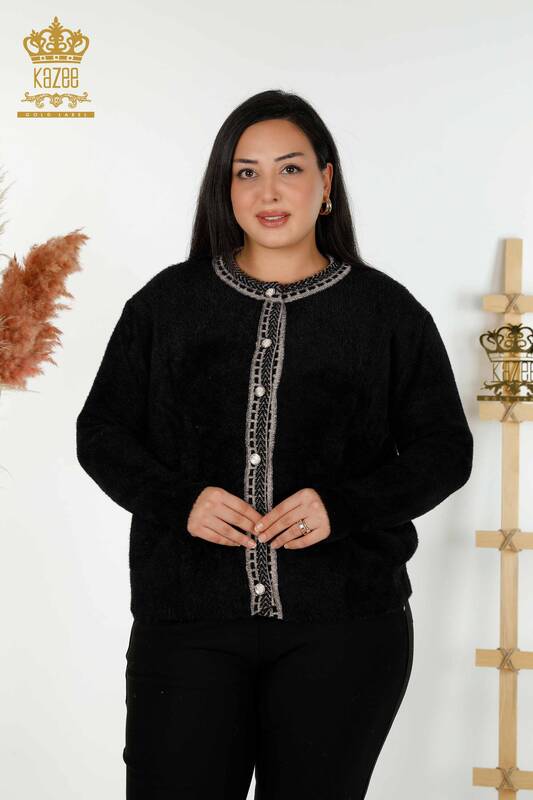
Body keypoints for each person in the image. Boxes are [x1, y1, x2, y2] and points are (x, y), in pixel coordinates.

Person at [76, 89, 473, 799]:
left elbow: (444, 449)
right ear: (224, 188)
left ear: (326, 181)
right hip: (187, 621)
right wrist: (179, 501)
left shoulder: (386, 313)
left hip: (345, 626)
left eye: (289, 168)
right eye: (246, 172)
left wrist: (343, 507)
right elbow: (101, 433)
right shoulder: (167, 304)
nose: (268, 192)